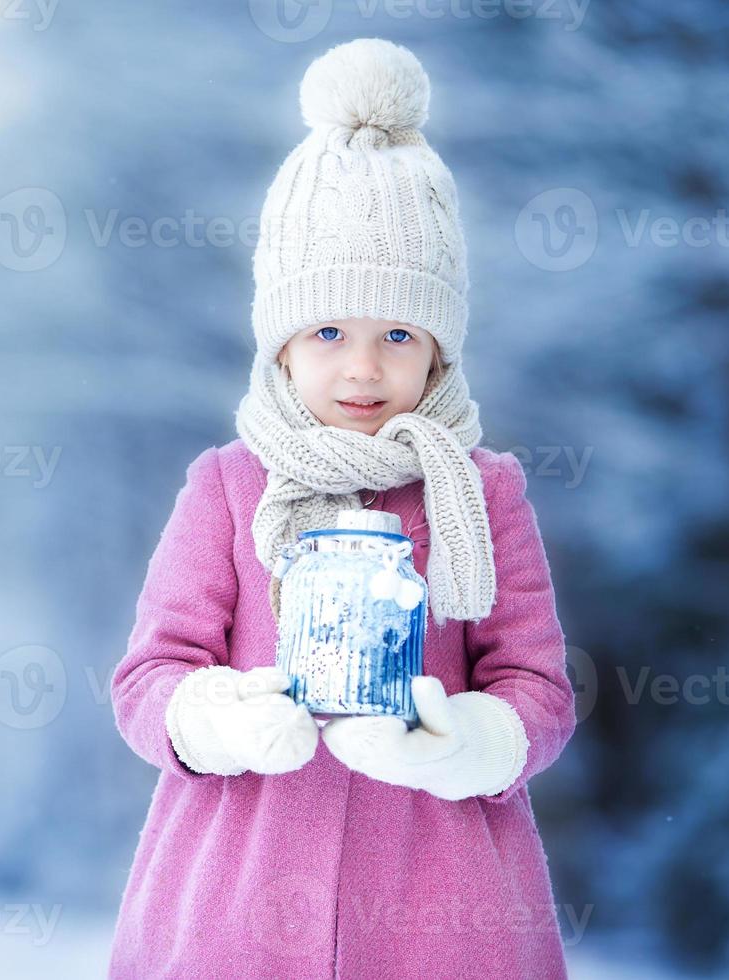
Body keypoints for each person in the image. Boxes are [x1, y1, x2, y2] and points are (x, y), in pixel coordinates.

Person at [107, 38, 577, 979]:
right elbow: (149, 676)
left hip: (442, 907)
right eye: (328, 331)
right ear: (280, 346)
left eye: (397, 334)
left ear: (438, 353)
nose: (363, 367)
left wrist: (471, 743)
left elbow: (539, 687)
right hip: (234, 903)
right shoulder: (227, 486)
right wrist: (217, 721)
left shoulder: (481, 492)